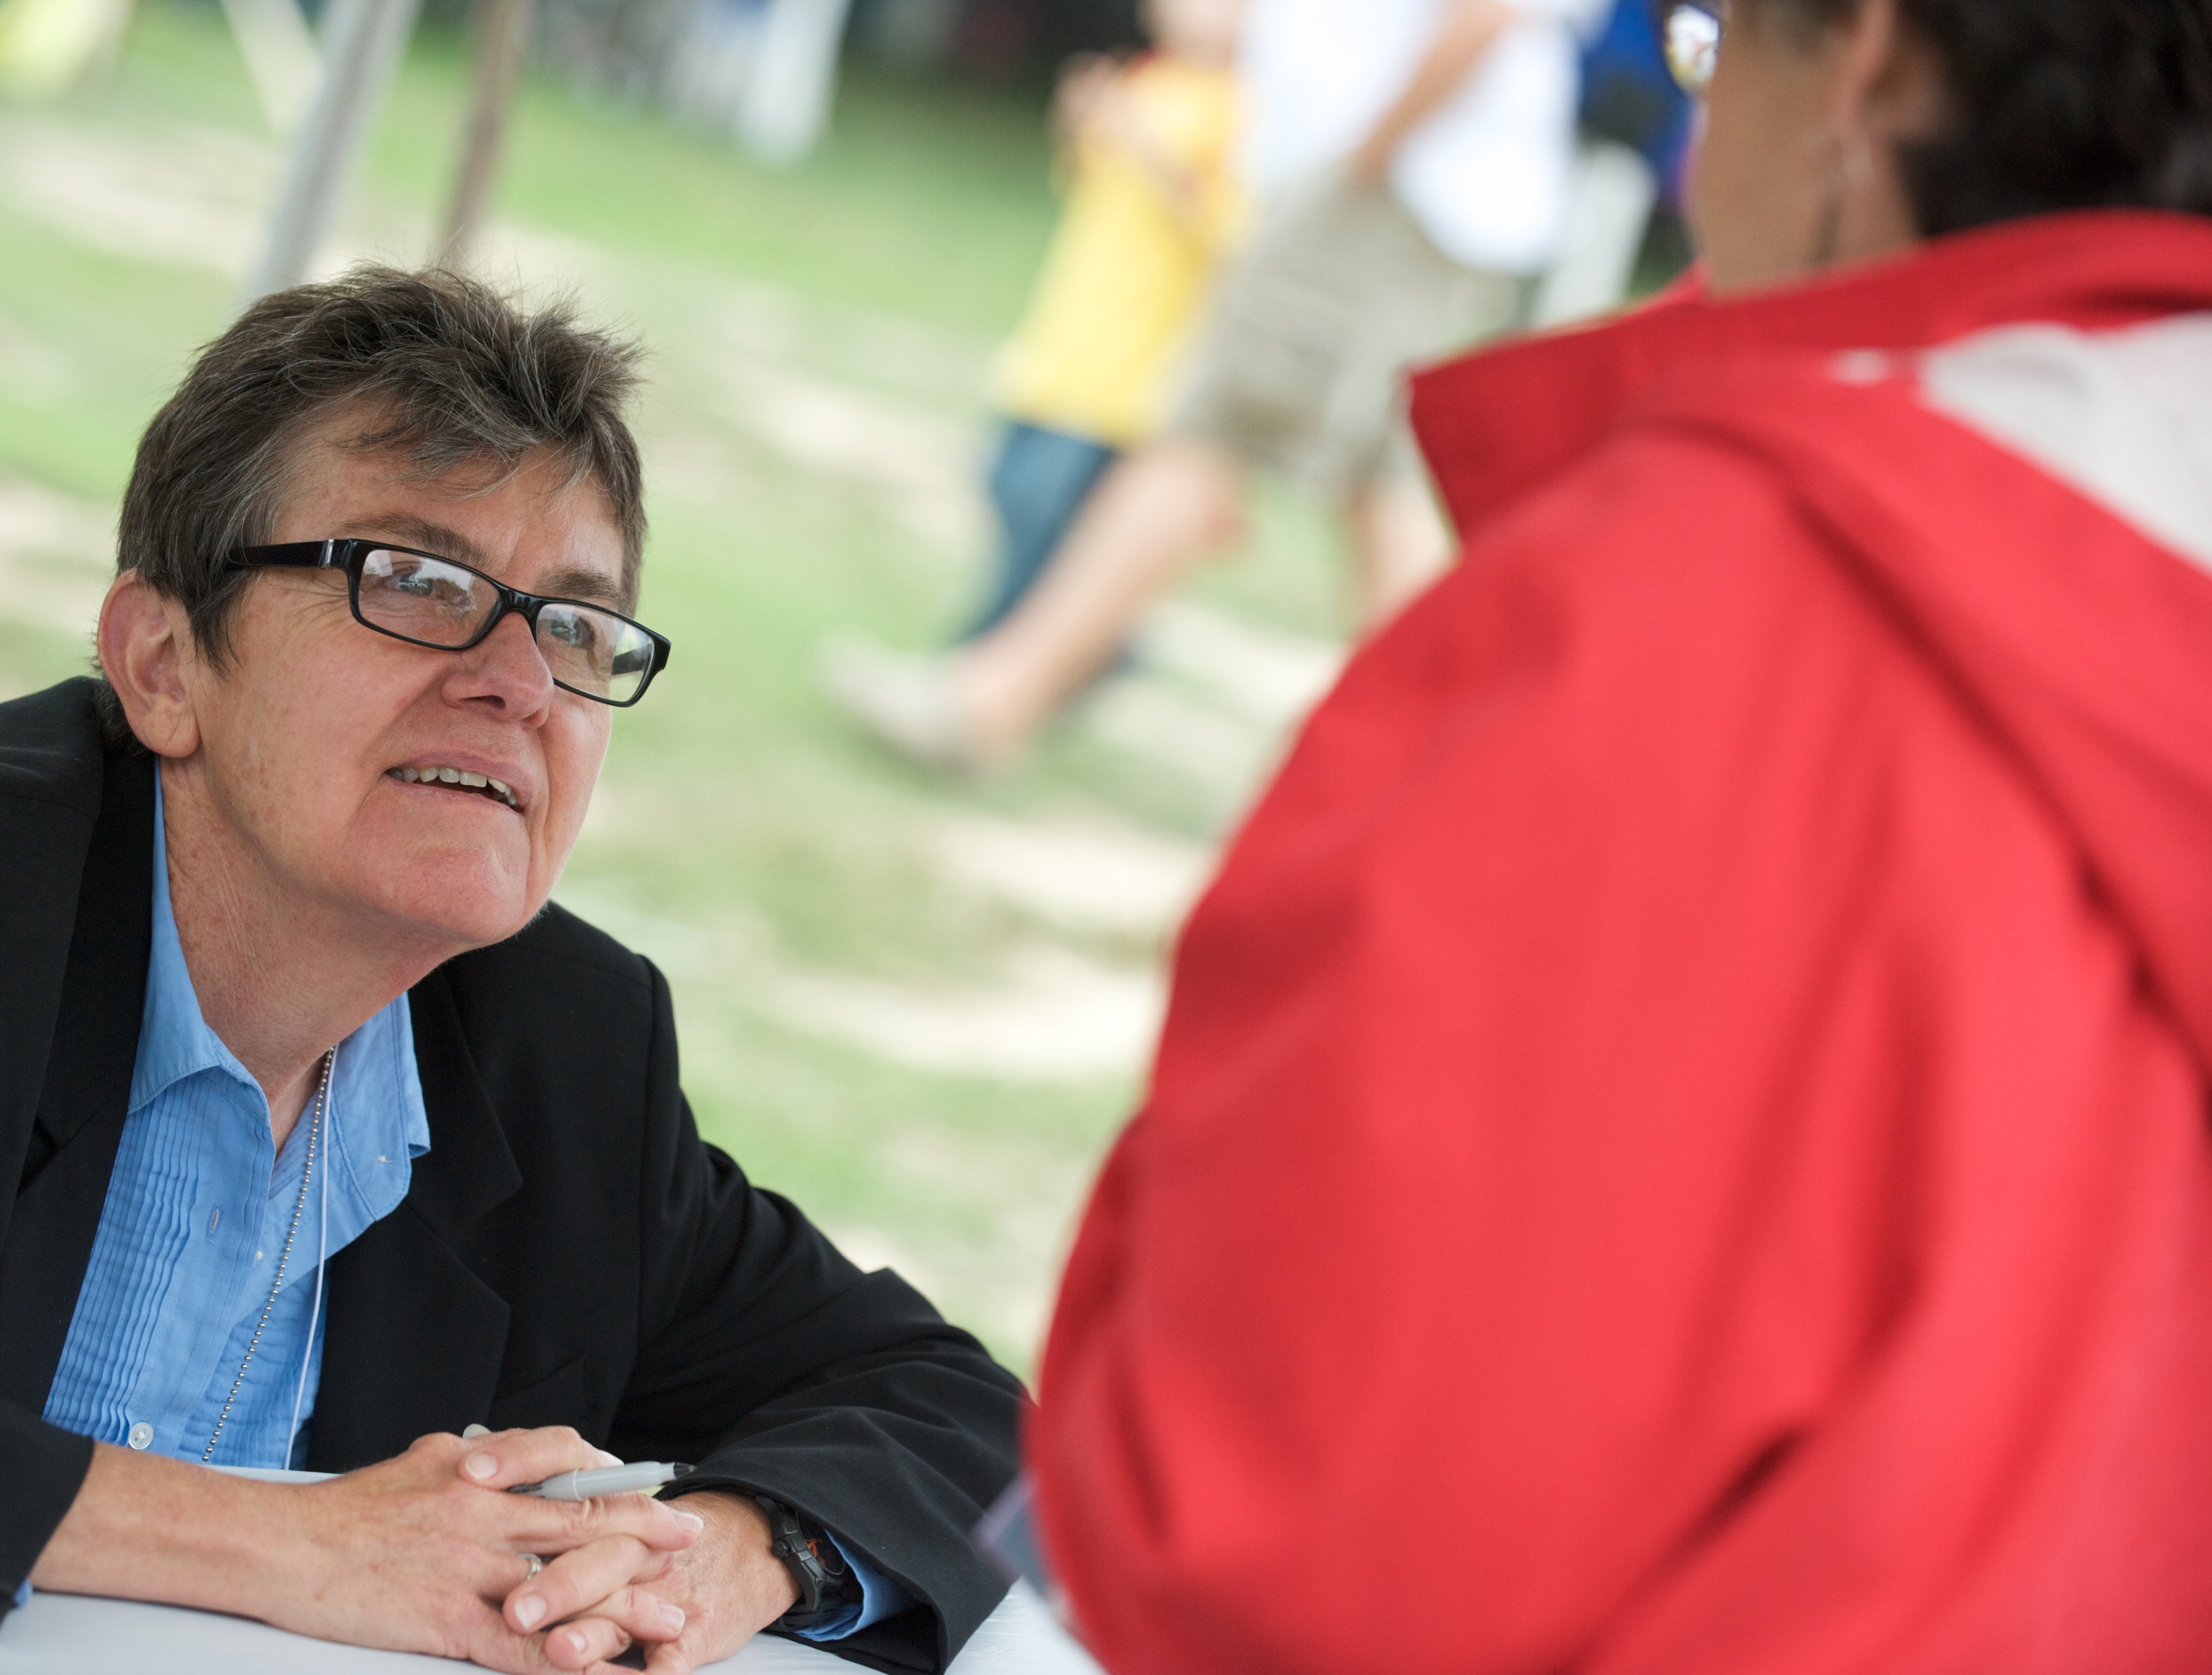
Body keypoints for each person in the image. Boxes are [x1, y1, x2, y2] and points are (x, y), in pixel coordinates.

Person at [1030, 0, 2212, 1669]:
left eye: (1711, 42)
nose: (1694, 124)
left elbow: (1279, 1529)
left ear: (1863, 61)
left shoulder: (1722, 598)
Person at [0, 268, 1022, 1675]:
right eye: (420, 583)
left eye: (574, 624)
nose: (516, 680)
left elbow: (956, 1411)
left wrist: (727, 1557)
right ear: (161, 662)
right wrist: (291, 1545)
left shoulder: (566, 1049)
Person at [832, 0, 1607, 775]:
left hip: (1385, 188)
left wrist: (1365, 157)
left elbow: (1487, 12)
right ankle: (1439, 760)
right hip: (1411, 187)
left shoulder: (1374, 166)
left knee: (1208, 433)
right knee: (1377, 478)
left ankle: (990, 702)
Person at [964, 0, 1243, 641]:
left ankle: (994, 656)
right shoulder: (1147, 82)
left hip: (1134, 373)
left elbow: (1230, 231)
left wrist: (1153, 152)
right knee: (1009, 486)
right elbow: (1086, 179)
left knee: (1047, 517)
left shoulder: (1246, 109)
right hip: (1068, 340)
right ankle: (1097, 646)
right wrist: (1080, 122)